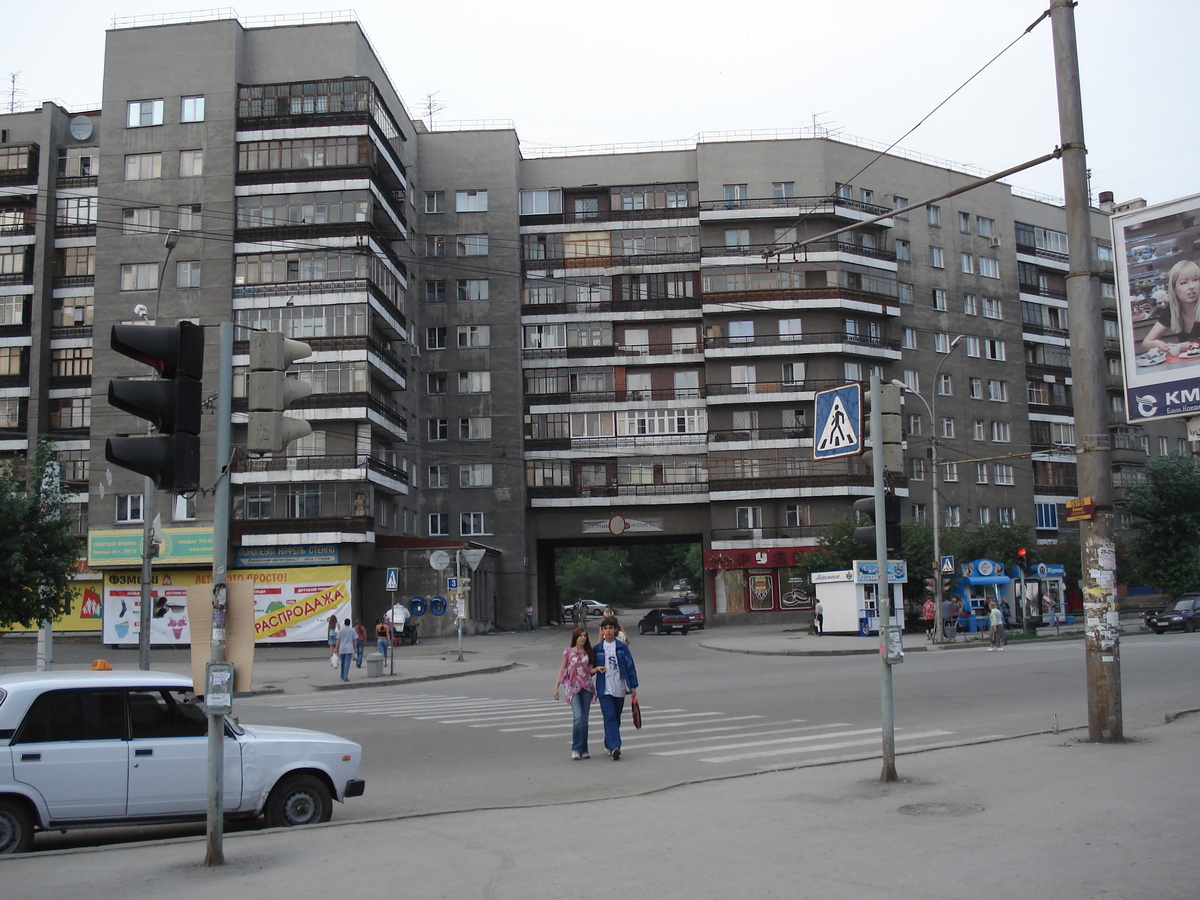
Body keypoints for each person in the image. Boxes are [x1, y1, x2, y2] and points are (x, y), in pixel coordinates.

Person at [592, 617, 638, 760]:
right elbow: (589, 668)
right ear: (602, 630)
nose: (608, 631)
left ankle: (608, 742)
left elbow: (630, 666)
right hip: (604, 688)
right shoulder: (597, 649)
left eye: (611, 628)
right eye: (605, 628)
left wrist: (633, 685)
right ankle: (615, 746)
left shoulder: (622, 647)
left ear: (615, 630)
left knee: (616, 717)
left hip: (619, 686)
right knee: (609, 715)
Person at [553, 627, 598, 760]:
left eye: (585, 636)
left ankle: (584, 749)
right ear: (575, 638)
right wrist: (556, 688)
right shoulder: (568, 652)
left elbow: (590, 670)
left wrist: (597, 669)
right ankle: (576, 748)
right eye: (580, 636)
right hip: (572, 688)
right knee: (578, 717)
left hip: (587, 688)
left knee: (584, 720)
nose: (583, 638)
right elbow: (562, 670)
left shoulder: (588, 652)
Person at [1143, 259, 1200, 354]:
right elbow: (1146, 343)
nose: (1191, 286)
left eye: (1195, 280)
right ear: (1174, 289)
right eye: (1184, 283)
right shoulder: (1172, 309)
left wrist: (1178, 347)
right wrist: (1156, 344)